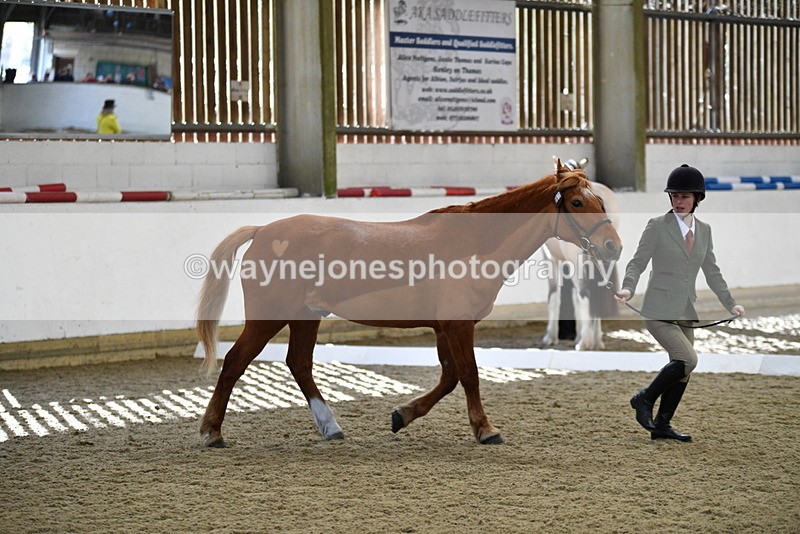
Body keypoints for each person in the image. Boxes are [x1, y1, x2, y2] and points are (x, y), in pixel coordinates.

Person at [614, 164, 745, 442]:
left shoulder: (705, 231)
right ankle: (644, 399)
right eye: (674, 196)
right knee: (687, 359)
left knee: (683, 369)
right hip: (658, 308)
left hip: (686, 309)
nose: (678, 201)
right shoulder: (657, 226)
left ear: (697, 198)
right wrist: (628, 288)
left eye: (684, 196)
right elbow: (637, 263)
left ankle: (662, 426)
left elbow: (712, 271)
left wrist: (730, 303)